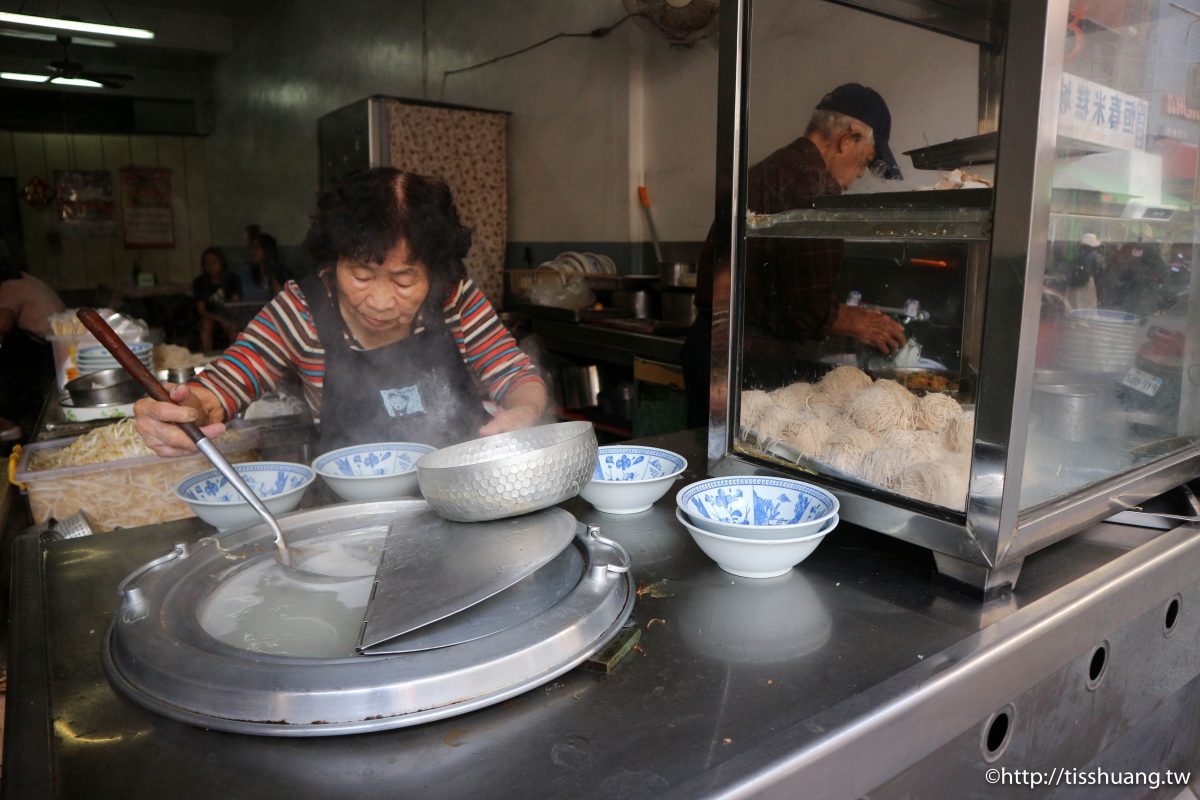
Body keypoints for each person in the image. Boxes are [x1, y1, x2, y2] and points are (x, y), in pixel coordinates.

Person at [135, 168, 547, 457]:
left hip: (464, 492)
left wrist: (525, 410)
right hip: (357, 518)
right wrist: (188, 415)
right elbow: (226, 384)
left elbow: (514, 374)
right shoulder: (301, 310)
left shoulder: (454, 296)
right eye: (362, 274)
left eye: (404, 280)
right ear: (334, 260)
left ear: (434, 271)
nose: (382, 301)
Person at [683, 83, 907, 426]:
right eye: (867, 161)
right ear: (849, 139)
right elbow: (803, 309)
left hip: (710, 348)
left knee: (714, 470)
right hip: (748, 364)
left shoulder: (770, 170)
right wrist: (855, 321)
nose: (861, 174)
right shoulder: (814, 190)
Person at [0, 256, 66, 440]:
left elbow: (3, 324)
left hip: (50, 347)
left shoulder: (9, 287)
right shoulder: (24, 279)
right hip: (53, 344)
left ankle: (16, 429)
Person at [192, 246, 242, 351]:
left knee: (233, 327)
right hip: (210, 317)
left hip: (228, 316)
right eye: (207, 263)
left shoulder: (232, 279)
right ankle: (207, 358)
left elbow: (236, 305)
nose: (210, 267)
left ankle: (236, 359)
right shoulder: (199, 282)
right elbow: (201, 310)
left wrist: (229, 320)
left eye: (214, 262)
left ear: (221, 263)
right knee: (207, 324)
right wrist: (220, 320)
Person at [239, 232, 290, 304]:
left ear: (267, 250)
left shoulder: (280, 272)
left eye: (257, 248)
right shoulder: (246, 272)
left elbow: (283, 299)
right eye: (252, 248)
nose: (253, 251)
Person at [1065, 232, 1104, 310]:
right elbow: (1099, 269)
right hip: (1088, 281)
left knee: (1076, 302)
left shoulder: (1079, 253)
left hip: (1076, 281)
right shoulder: (1095, 255)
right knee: (1087, 304)